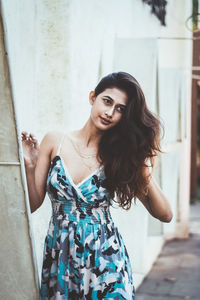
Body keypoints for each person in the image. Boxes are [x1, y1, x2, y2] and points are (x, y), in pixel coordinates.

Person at [21, 71, 173, 300]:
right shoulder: (55, 142)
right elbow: (32, 205)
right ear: (93, 97)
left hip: (107, 261)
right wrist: (31, 166)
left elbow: (165, 214)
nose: (110, 113)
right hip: (61, 258)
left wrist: (145, 171)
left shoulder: (120, 157)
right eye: (107, 101)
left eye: (120, 109)